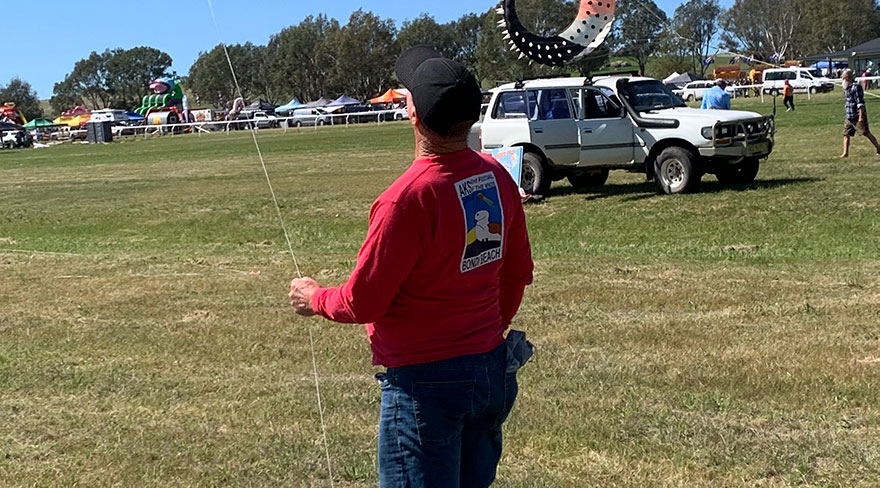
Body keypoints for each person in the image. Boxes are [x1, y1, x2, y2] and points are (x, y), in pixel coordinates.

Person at [289, 45, 534, 487]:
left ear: (413, 115)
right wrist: (482, 335)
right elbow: (516, 273)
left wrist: (315, 298)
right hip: (489, 369)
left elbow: (364, 301)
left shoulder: (405, 200)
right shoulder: (497, 176)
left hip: (424, 387)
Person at [840, 69, 880, 158]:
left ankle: (878, 148)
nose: (842, 78)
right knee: (846, 134)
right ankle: (845, 153)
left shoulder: (856, 87)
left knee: (866, 133)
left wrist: (861, 117)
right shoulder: (846, 87)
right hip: (849, 116)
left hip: (857, 115)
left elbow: (860, 103)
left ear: (848, 77)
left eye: (843, 76)